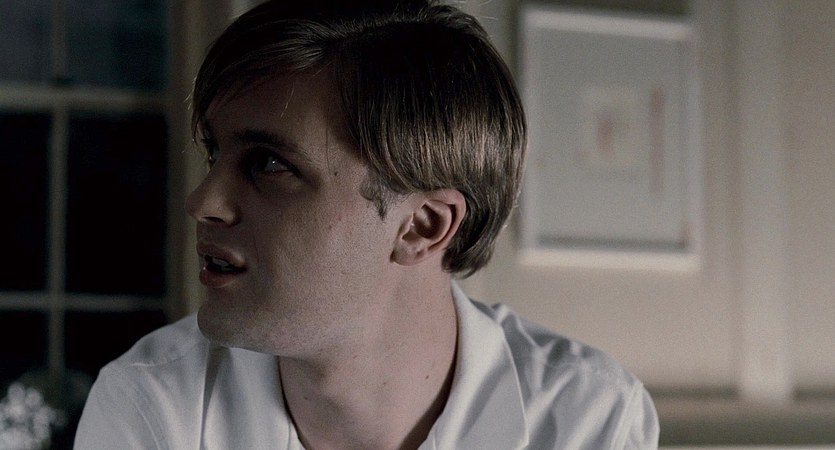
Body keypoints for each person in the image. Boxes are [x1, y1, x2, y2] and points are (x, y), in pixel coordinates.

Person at [73, 0, 659, 448]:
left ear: (422, 227)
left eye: (268, 164)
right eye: (214, 154)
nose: (203, 201)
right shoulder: (152, 408)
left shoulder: (588, 421)